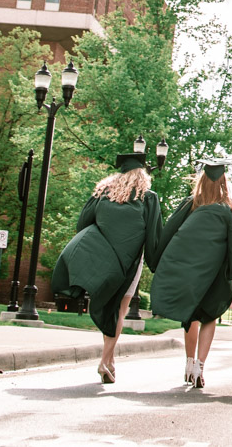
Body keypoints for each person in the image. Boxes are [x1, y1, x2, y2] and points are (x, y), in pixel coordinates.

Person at [52, 152, 161, 384]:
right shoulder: (148, 198)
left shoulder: (103, 193)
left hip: (102, 260)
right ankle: (105, 360)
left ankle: (109, 362)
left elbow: (82, 224)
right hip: (128, 263)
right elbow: (153, 235)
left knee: (108, 306)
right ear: (142, 175)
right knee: (120, 310)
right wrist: (155, 262)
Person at [148, 160, 232, 389]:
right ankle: (200, 365)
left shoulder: (189, 204)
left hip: (186, 269)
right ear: (224, 182)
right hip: (214, 272)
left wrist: (156, 262)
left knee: (190, 316)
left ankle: (189, 362)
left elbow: (168, 234)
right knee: (209, 316)